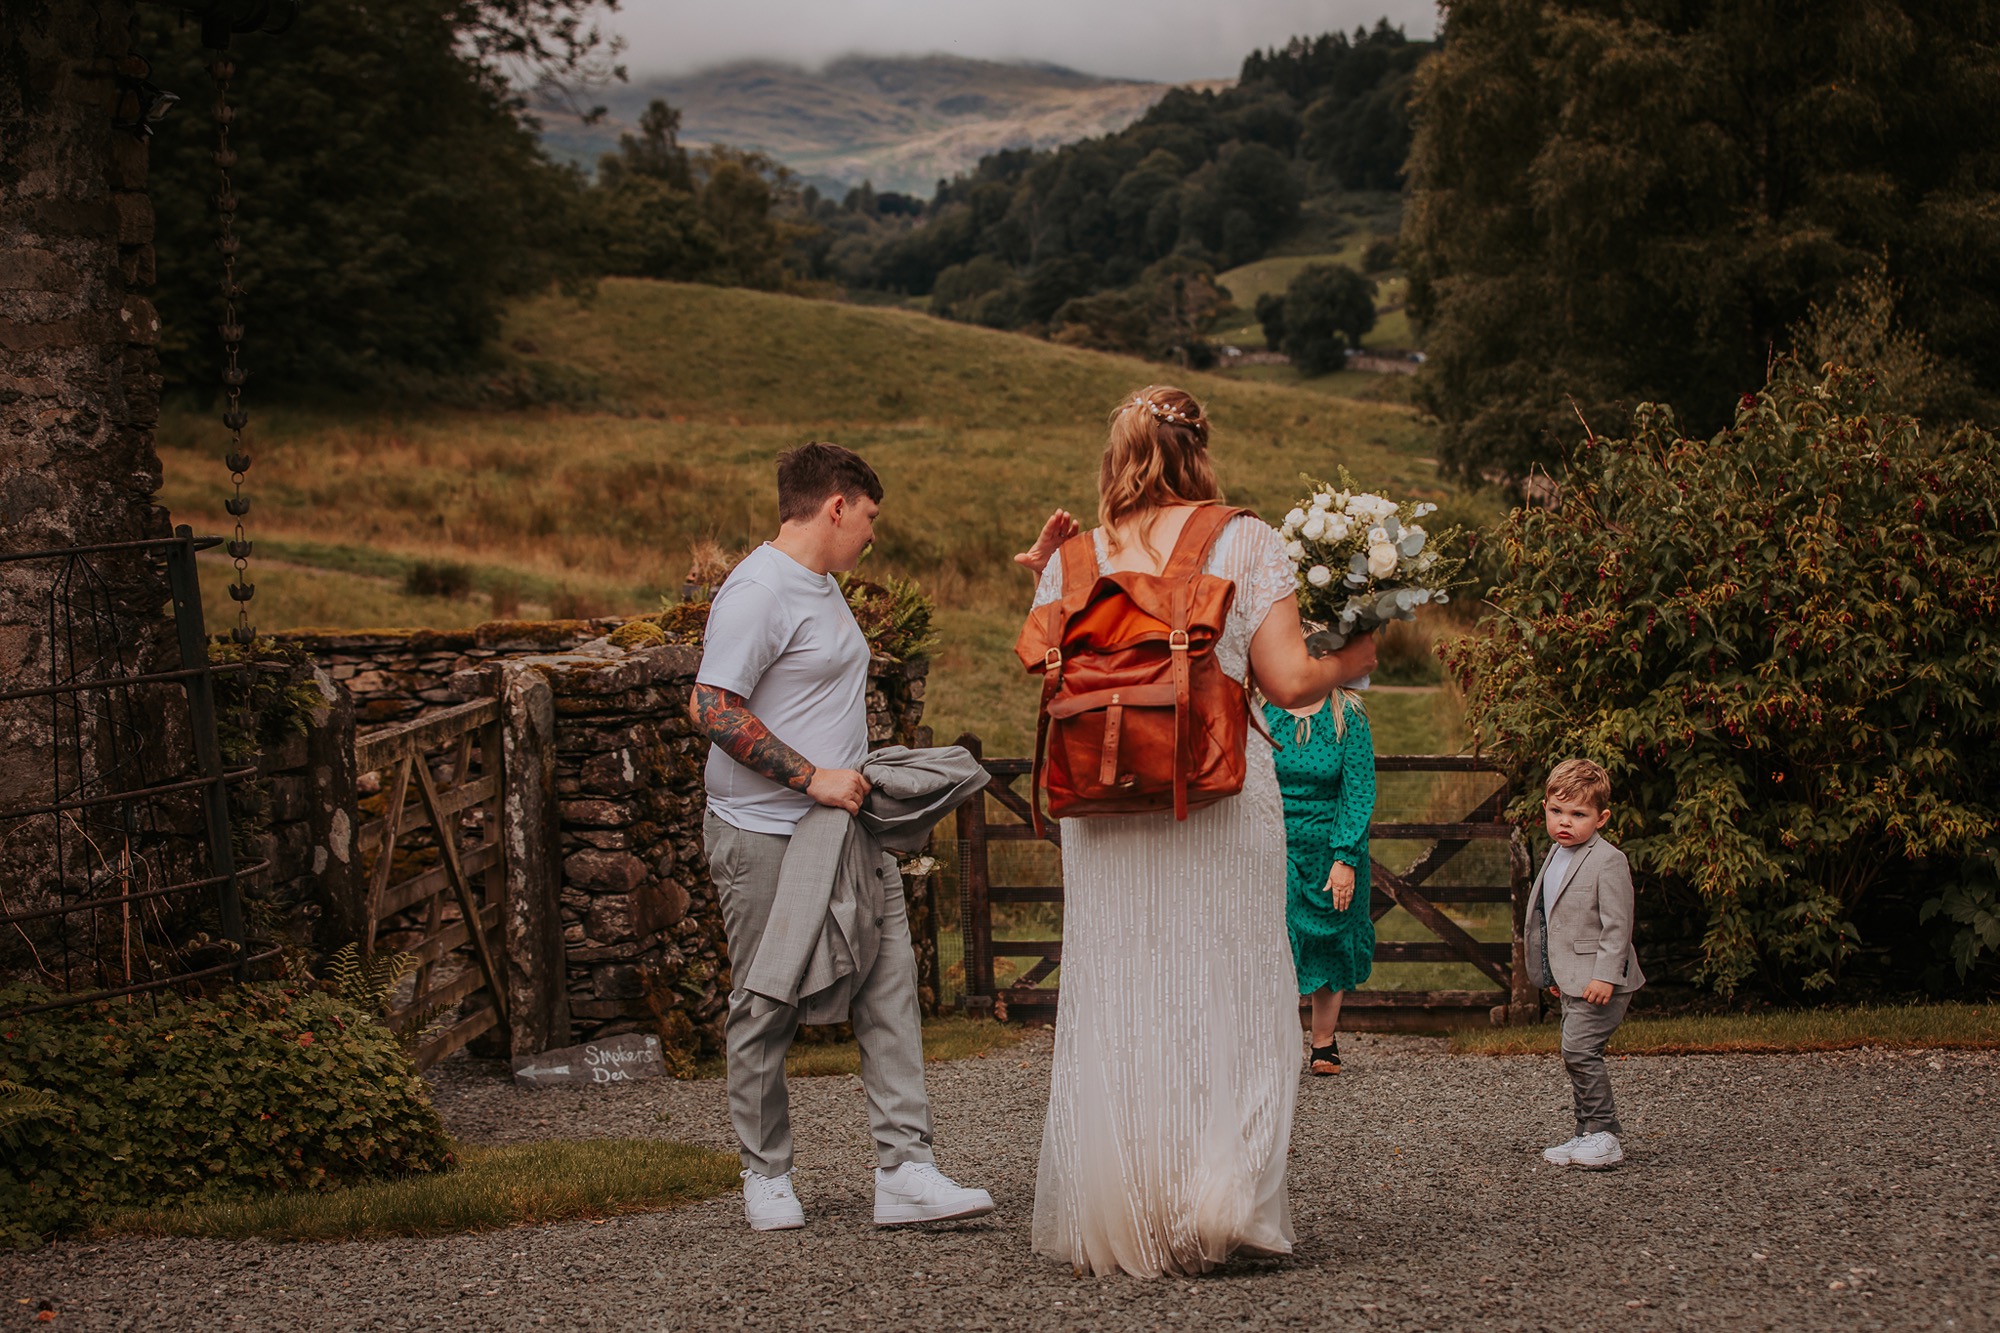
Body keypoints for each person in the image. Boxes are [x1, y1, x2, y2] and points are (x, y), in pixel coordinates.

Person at [1016, 386, 1377, 1278]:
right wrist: (1359, 653)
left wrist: (1045, 572)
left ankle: (1128, 1215)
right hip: (1211, 792)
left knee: (1122, 991)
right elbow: (1292, 682)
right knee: (1237, 983)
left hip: (1102, 798)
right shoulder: (1242, 538)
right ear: (1197, 450)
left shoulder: (1073, 551)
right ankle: (1221, 1204)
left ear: (1119, 454)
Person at [690, 441, 994, 1231]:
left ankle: (906, 1170)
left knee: (889, 985)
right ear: (835, 506)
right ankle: (766, 1174)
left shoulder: (823, 586)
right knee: (766, 999)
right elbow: (712, 706)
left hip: (846, 827)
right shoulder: (758, 590)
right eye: (869, 517)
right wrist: (811, 775)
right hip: (765, 831)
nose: (872, 534)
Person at [1522, 757, 1646, 1170]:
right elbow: (1553, 920)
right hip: (1572, 978)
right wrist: (1554, 973)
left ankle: (1605, 1133)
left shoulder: (1608, 860)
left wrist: (1605, 976)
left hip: (1601, 981)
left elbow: (1617, 926)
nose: (1565, 822)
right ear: (1545, 808)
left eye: (1579, 814)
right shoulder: (1557, 854)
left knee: (1579, 1049)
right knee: (1573, 1050)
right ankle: (1585, 1134)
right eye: (1557, 811)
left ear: (1602, 817)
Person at [1264, 685, 1376, 1076]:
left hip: (1331, 849)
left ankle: (1323, 1043)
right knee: (1277, 940)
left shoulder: (1349, 714)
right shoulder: (1261, 706)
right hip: (1274, 846)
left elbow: (1359, 791)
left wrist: (1345, 857)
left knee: (1332, 941)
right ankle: (1274, 1044)